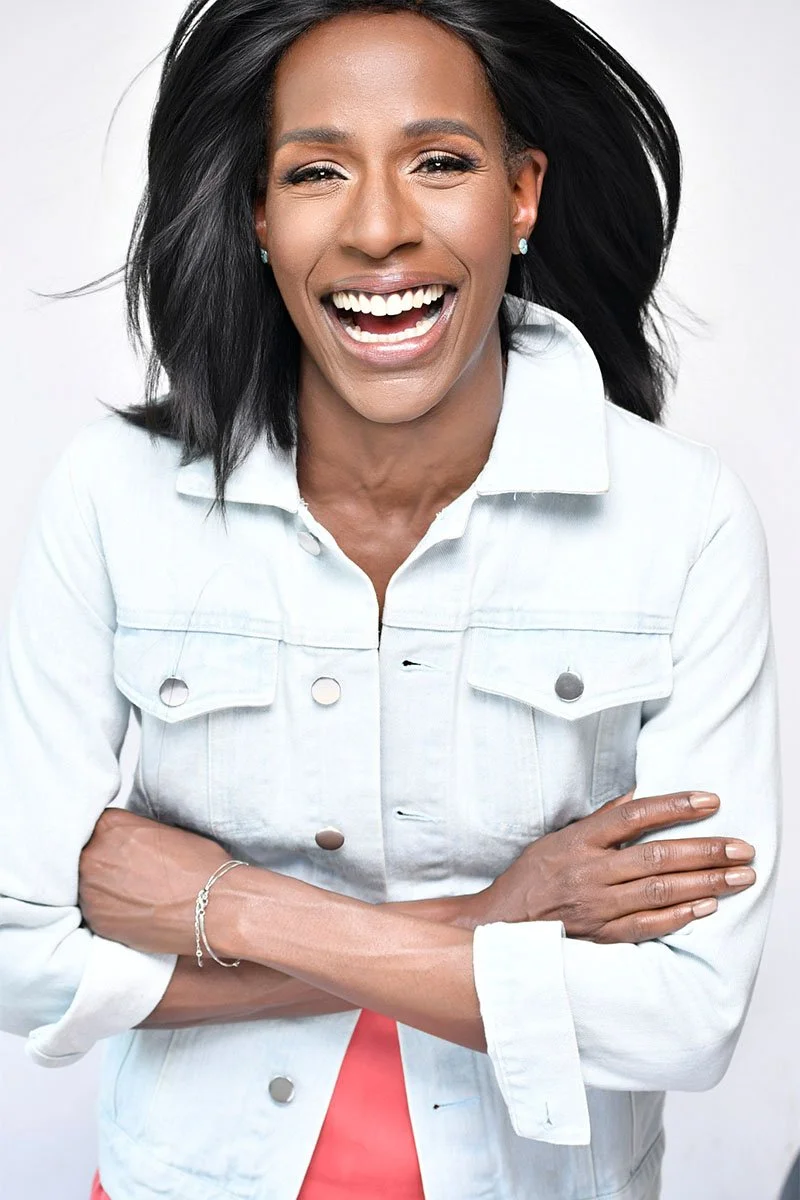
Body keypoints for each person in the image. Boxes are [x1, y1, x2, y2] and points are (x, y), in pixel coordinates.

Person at [0, 2, 781, 1198]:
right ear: (257, 215)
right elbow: (18, 950)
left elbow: (684, 1017)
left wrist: (231, 909)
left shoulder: (681, 519)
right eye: (316, 171)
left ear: (519, 195)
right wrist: (496, 917)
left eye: (439, 163)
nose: (377, 229)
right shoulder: (116, 495)